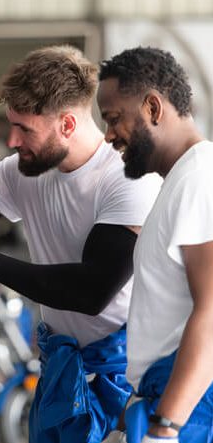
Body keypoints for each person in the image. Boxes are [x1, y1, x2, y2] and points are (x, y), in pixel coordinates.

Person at [0, 45, 162, 443]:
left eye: (24, 129)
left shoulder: (128, 180)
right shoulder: (26, 172)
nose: (12, 140)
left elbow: (91, 291)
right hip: (59, 363)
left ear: (66, 124)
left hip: (120, 376)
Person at [97, 47, 213, 443]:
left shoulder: (200, 179)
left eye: (114, 119)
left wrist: (168, 426)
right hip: (165, 395)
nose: (109, 135)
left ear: (152, 107)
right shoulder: (179, 182)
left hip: (191, 407)